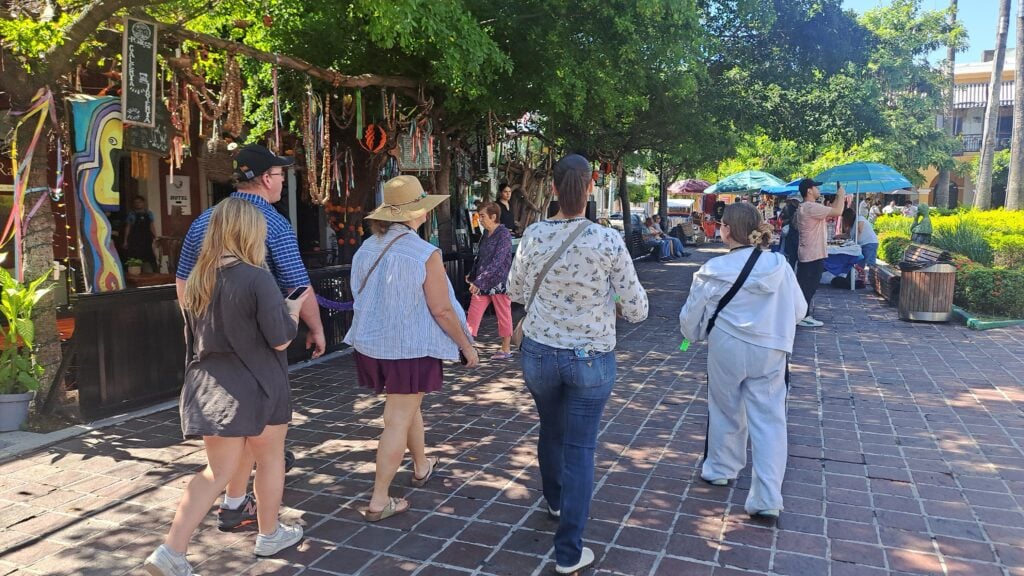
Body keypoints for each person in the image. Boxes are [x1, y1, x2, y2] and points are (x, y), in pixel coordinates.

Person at [145, 199, 307, 576]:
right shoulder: (257, 277)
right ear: (251, 232)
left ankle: (171, 551)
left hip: (210, 388)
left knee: (214, 472)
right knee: (269, 460)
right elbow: (280, 338)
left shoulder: (199, 277)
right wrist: (293, 312)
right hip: (259, 384)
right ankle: (269, 534)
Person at [508, 154, 648, 575]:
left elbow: (515, 288)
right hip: (590, 359)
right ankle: (569, 550)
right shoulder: (607, 241)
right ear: (590, 188)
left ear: (552, 189)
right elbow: (637, 308)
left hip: (539, 354)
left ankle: (554, 499)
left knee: (550, 428)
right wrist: (614, 304)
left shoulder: (533, 235)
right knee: (581, 448)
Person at [175, 144, 325, 532]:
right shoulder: (272, 223)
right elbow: (296, 285)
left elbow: (183, 282)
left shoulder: (203, 220)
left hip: (213, 351)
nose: (281, 182)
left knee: (229, 438)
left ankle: (233, 503)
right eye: (279, 175)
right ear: (264, 178)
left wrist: (201, 325)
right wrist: (315, 327)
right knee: (265, 444)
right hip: (259, 350)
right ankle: (266, 528)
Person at [344, 175, 480, 522]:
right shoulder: (423, 253)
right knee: (397, 418)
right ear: (417, 213)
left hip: (373, 344)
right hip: (409, 348)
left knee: (406, 407)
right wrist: (466, 345)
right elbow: (442, 309)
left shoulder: (366, 248)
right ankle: (378, 499)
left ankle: (421, 465)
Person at [679, 202, 806, 522]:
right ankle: (767, 497)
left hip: (727, 347)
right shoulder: (780, 265)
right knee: (770, 420)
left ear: (725, 230)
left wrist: (693, 334)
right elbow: (800, 310)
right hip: (771, 349)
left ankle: (721, 468)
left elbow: (690, 321)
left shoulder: (712, 270)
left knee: (724, 408)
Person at [465, 202, 514, 360]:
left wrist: (478, 280)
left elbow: (498, 261)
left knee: (503, 315)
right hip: (482, 280)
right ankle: (467, 347)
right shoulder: (486, 234)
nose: (480, 219)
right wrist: (473, 275)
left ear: (494, 217)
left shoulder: (504, 234)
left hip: (498, 282)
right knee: (473, 313)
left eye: (483, 216)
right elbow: (480, 257)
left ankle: (505, 349)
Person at [795, 178, 844, 328]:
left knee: (805, 285)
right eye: (816, 187)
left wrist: (837, 197)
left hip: (808, 252)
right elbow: (838, 211)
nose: (819, 189)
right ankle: (803, 316)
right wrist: (841, 194)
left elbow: (832, 211)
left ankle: (802, 314)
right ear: (809, 190)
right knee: (808, 286)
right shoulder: (811, 207)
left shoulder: (806, 207)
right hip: (812, 253)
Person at [123, 195, 158, 271]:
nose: (137, 204)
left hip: (147, 239)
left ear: (143, 203)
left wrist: (155, 237)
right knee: (135, 258)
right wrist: (125, 241)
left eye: (139, 202)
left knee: (150, 258)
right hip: (135, 239)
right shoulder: (131, 214)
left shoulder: (149, 213)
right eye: (136, 203)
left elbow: (151, 226)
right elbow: (128, 227)